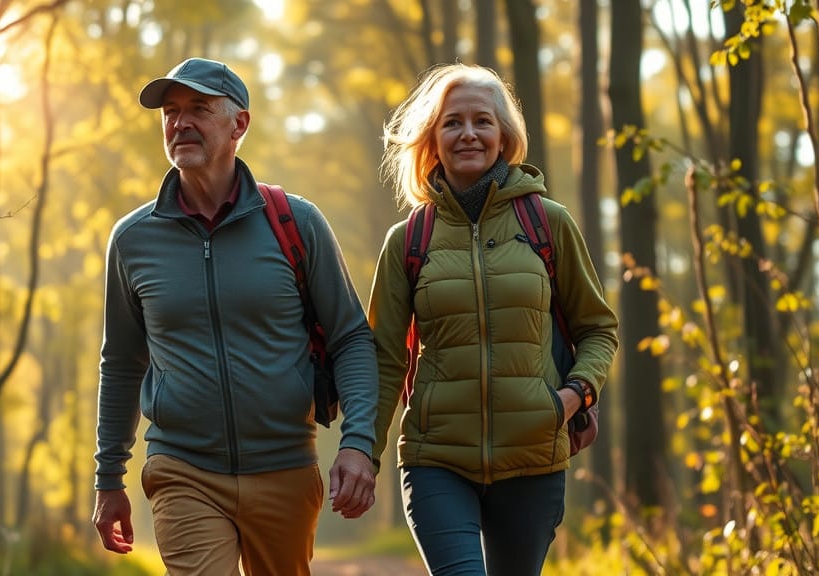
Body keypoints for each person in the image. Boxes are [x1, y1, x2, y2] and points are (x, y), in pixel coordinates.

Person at [92, 57, 378, 576]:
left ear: (238, 124)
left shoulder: (296, 222)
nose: (180, 123)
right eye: (171, 112)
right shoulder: (133, 240)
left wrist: (359, 443)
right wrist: (109, 475)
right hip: (183, 468)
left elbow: (352, 338)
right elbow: (122, 362)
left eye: (199, 109)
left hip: (286, 465)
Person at [367, 63, 619, 575]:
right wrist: (362, 454)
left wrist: (572, 398)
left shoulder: (547, 222)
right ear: (432, 139)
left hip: (533, 456)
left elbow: (598, 329)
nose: (468, 134)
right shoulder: (408, 241)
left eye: (482, 121)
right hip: (435, 456)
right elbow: (385, 359)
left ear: (504, 137)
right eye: (452, 122)